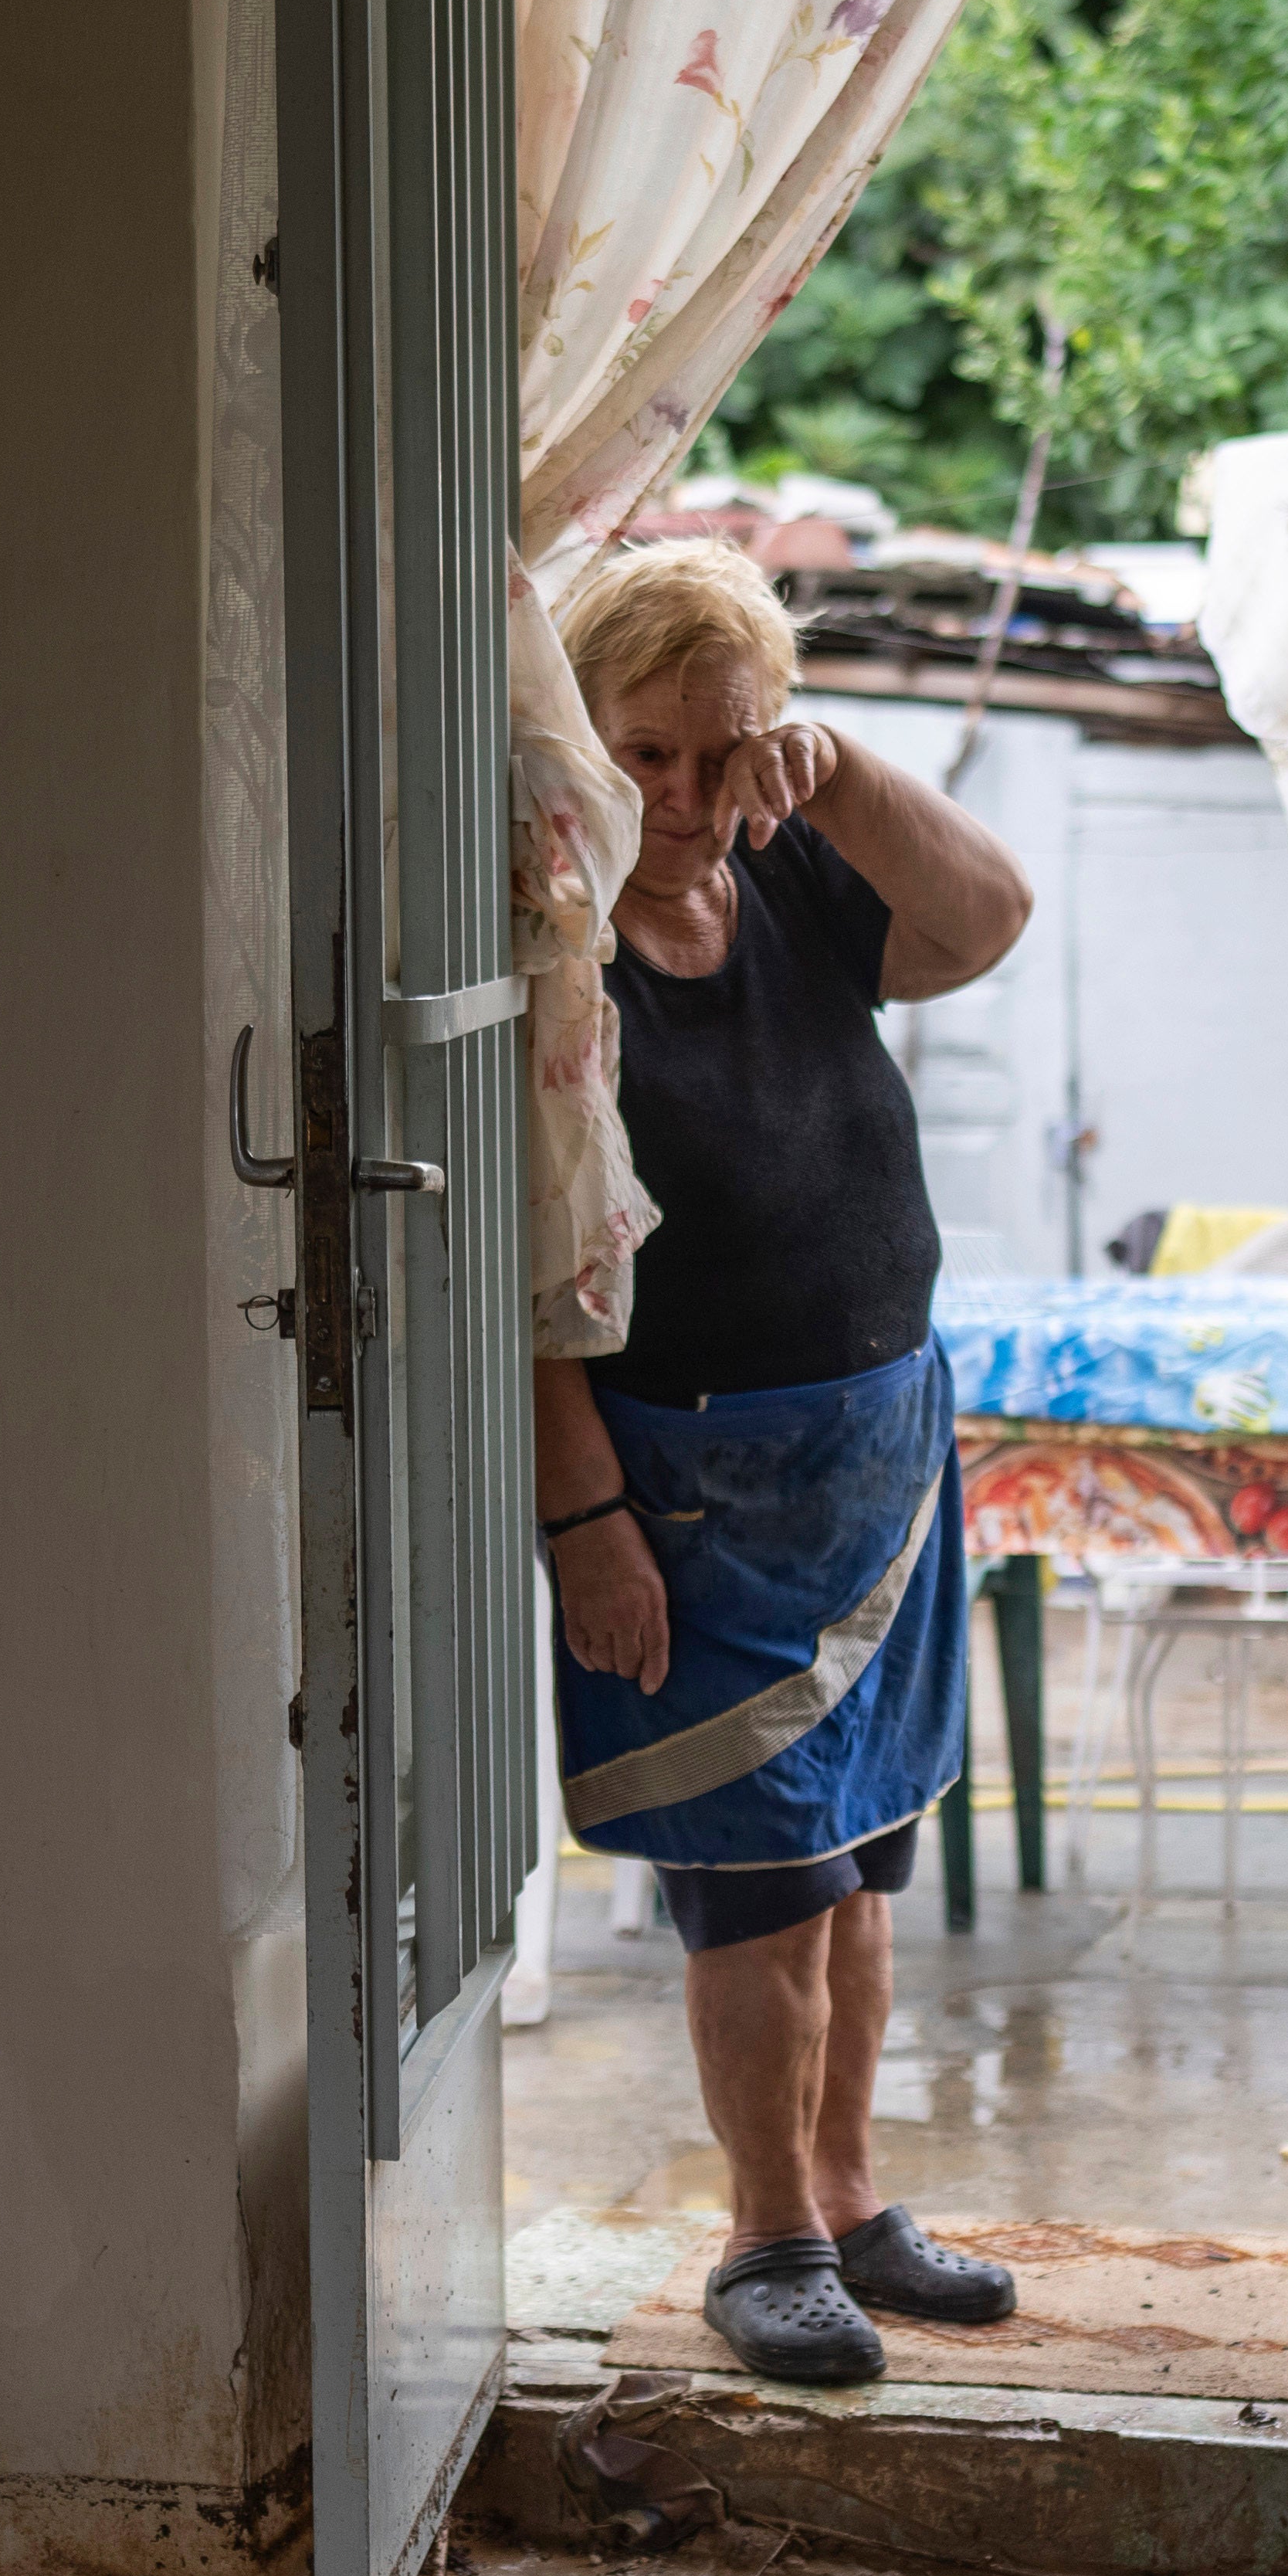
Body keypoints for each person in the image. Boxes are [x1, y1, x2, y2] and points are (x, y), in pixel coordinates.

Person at [535, 539, 1042, 2388]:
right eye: (647, 755)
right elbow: (535, 1286)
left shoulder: (794, 872)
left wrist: (831, 770)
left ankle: (844, 2196)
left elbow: (988, 918)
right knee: (755, 1889)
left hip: (879, 1459)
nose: (683, 798)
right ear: (584, 742)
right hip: (688, 1488)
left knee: (861, 1865)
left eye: (720, 753)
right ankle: (762, 2240)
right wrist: (584, 1516)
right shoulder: (554, 945)